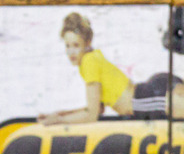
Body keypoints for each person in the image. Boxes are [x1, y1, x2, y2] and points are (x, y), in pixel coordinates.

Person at [38, 12, 184, 125]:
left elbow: (91, 114)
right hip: (150, 93)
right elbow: (98, 108)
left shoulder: (89, 63)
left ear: (87, 42)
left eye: (76, 45)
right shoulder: (93, 58)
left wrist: (59, 121)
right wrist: (60, 115)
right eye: (67, 46)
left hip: (146, 100)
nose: (71, 52)